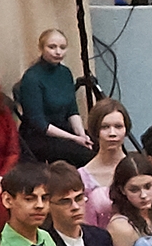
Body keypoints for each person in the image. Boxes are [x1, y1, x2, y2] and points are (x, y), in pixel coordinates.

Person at [15, 28, 93, 166]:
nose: (58, 52)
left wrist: (82, 135)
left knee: (101, 147)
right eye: (52, 47)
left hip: (64, 130)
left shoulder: (65, 73)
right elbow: (39, 124)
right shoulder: (32, 77)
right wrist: (74, 138)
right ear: (41, 48)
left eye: (62, 47)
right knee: (88, 156)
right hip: (39, 137)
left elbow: (72, 111)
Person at [78, 99, 133, 224]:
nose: (112, 133)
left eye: (118, 126)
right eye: (105, 127)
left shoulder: (138, 169)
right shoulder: (82, 177)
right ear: (95, 130)